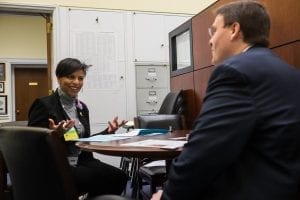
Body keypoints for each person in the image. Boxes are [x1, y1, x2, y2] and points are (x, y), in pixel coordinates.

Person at [151, 1, 300, 200]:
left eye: (213, 31)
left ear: (234, 29)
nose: (210, 41)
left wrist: (167, 196)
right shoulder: (289, 72)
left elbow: (203, 154)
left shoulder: (234, 72)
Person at [28, 57, 128, 198]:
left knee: (120, 176)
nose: (76, 82)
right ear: (58, 78)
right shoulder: (44, 105)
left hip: (82, 161)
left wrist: (107, 132)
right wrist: (54, 134)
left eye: (80, 78)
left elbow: (83, 141)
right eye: (71, 77)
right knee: (94, 178)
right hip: (56, 164)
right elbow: (31, 142)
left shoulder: (82, 108)